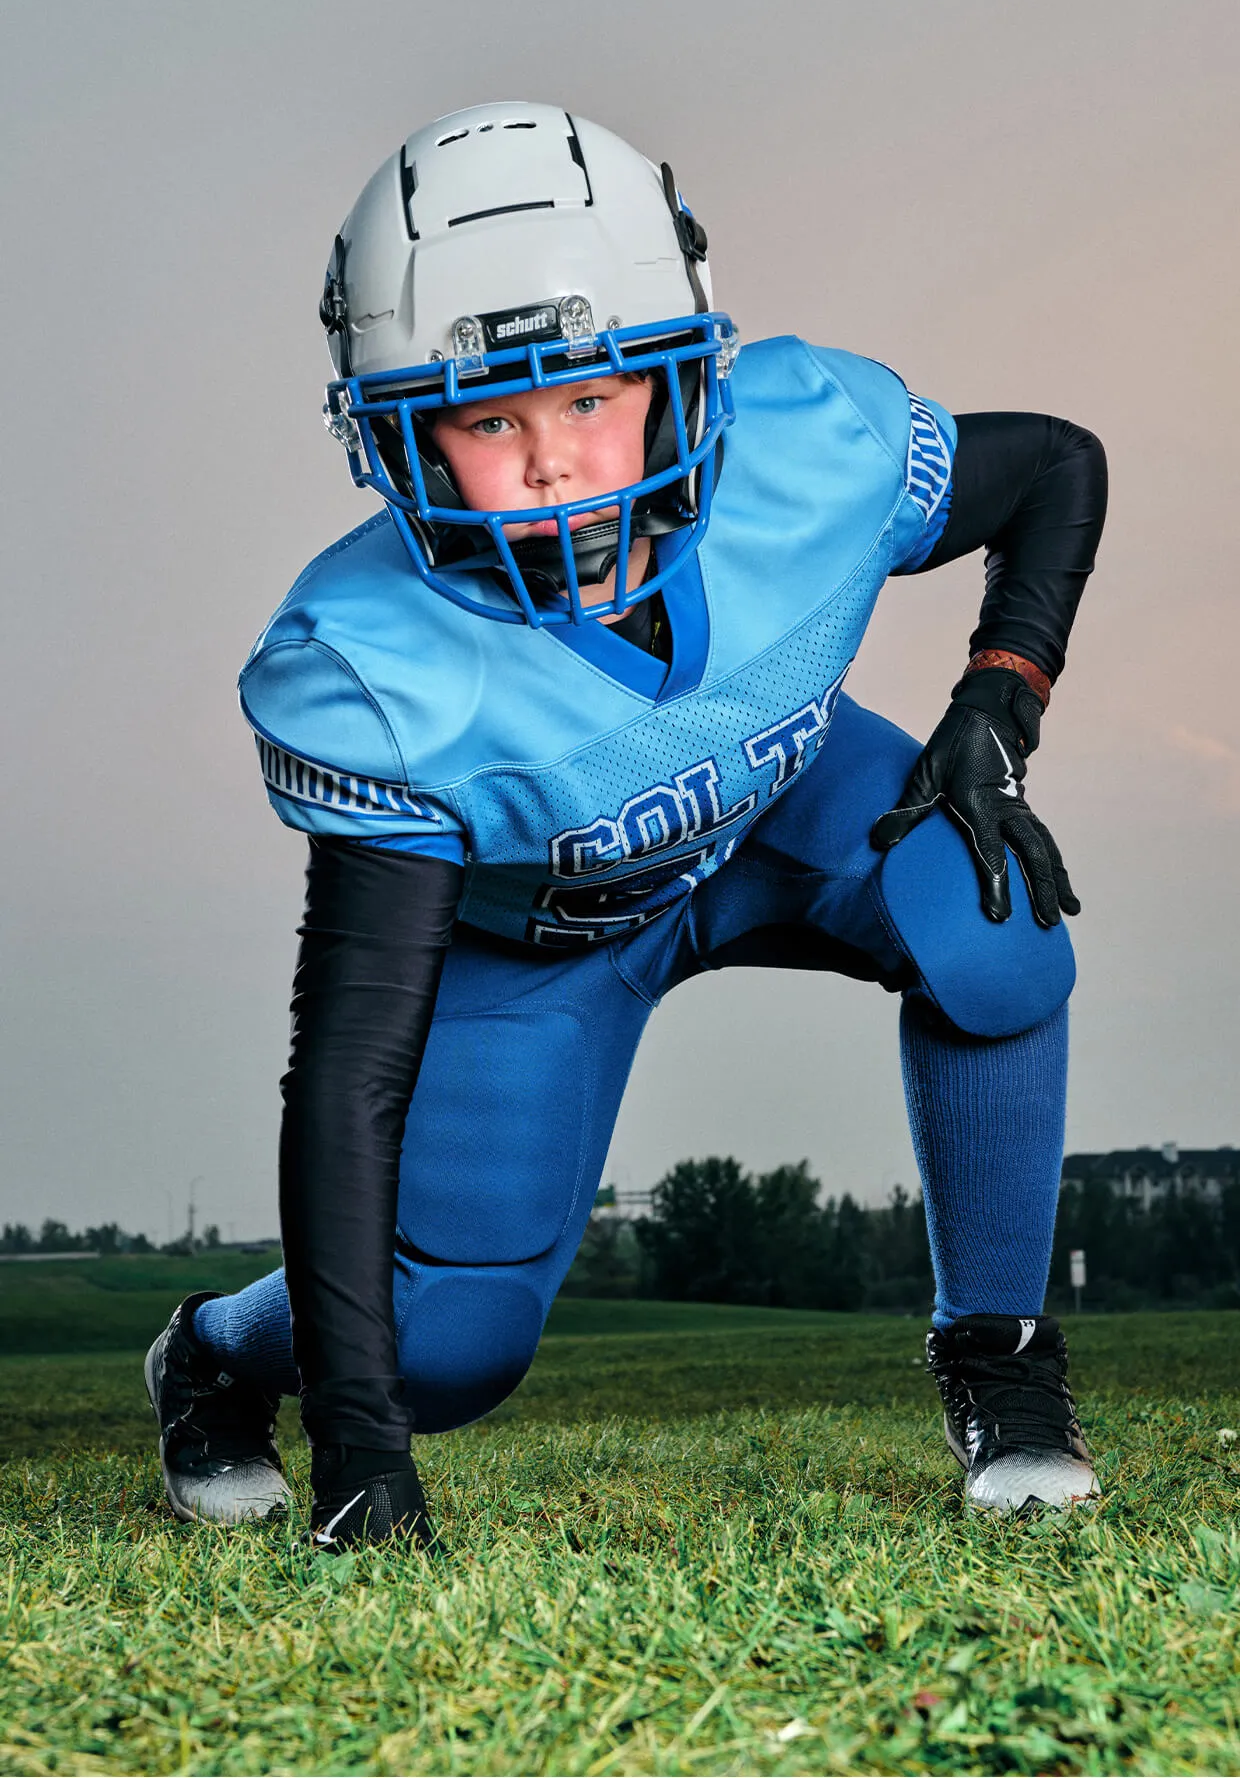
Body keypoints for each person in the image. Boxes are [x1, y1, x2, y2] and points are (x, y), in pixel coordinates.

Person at [144, 102, 1107, 1547]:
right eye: (490, 417)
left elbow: (1054, 465)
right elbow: (349, 1073)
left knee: (995, 920)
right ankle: (214, 1351)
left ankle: (1004, 1365)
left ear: (681, 377)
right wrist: (359, 1429)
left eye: (591, 398)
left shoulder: (806, 445)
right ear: (399, 440)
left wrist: (1001, 700)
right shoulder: (382, 667)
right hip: (538, 940)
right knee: (448, 1347)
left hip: (778, 808)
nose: (553, 462)